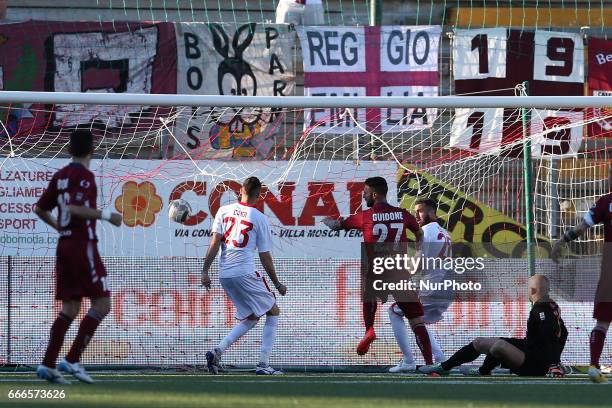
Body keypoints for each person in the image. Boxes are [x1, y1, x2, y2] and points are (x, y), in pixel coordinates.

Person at [34, 129, 122, 384]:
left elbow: (40, 208)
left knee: (70, 307)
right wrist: (107, 216)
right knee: (102, 304)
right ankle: (72, 359)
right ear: (92, 150)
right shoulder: (84, 176)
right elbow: (73, 207)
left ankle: (49, 364)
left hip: (64, 246)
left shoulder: (60, 176)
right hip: (83, 244)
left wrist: (59, 226)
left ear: (68, 150)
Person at [322, 177, 433, 367]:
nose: (363, 196)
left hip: (375, 271)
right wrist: (418, 254)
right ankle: (430, 366)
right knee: (417, 321)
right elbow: (420, 234)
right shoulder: (402, 214)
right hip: (399, 271)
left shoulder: (366, 215)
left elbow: (337, 225)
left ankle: (369, 329)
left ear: (374, 194)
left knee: (369, 293)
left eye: (365, 193)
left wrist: (328, 221)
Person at [202, 177, 287, 375]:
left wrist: (205, 271)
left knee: (252, 316)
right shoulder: (259, 218)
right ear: (259, 195)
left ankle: (217, 351)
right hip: (244, 272)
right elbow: (265, 257)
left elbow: (214, 243)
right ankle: (263, 364)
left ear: (240, 190)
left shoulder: (223, 211)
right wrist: (278, 283)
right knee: (273, 312)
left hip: (225, 275)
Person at [420, 275, 567, 377]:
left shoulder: (542, 309)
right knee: (479, 342)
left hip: (535, 364)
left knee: (499, 346)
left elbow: (551, 335)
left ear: (533, 291)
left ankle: (483, 371)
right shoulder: (549, 304)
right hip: (529, 348)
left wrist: (553, 363)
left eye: (528, 288)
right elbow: (563, 332)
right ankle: (445, 367)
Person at [552, 162, 612, 383]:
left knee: (603, 321)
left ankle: (594, 366)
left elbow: (581, 228)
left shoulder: (605, 202)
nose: (608, 179)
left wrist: (561, 241)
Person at [388, 198, 453, 372]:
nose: (416, 215)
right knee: (419, 321)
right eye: (415, 211)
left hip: (433, 289)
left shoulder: (424, 231)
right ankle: (440, 358)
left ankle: (408, 361)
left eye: (420, 211)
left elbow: (416, 266)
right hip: (445, 291)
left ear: (432, 212)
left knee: (394, 311)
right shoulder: (446, 232)